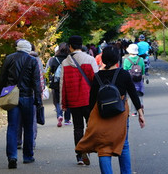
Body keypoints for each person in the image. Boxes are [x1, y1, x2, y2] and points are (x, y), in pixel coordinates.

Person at [76, 45, 145, 174]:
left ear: (103, 59)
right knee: (123, 144)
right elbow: (134, 95)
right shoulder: (123, 74)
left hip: (102, 115)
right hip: (120, 115)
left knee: (103, 148)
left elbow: (92, 101)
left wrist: (91, 120)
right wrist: (140, 113)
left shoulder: (97, 77)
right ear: (117, 59)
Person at [0, 39, 43, 169]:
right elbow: (36, 82)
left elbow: (3, 78)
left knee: (12, 126)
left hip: (12, 96)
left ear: (17, 47)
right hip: (27, 97)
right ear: (28, 49)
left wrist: (1, 95)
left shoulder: (9, 58)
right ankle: (28, 156)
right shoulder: (32, 60)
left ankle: (12, 156)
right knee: (28, 126)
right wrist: (38, 100)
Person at [60, 35, 98, 165]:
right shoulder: (90, 59)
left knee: (77, 128)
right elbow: (96, 81)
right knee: (91, 125)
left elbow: (62, 85)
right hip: (88, 100)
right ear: (81, 45)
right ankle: (91, 147)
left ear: (70, 47)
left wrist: (63, 104)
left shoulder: (65, 62)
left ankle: (80, 155)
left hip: (73, 101)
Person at [17, 43, 45, 149]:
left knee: (18, 119)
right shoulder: (36, 60)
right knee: (31, 120)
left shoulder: (14, 58)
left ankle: (18, 140)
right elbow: (39, 79)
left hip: (16, 93)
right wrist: (39, 95)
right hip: (31, 93)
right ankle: (31, 141)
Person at [46, 42, 72, 127]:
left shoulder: (54, 59)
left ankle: (59, 115)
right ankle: (67, 119)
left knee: (57, 100)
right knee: (68, 100)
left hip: (57, 82)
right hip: (68, 82)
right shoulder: (70, 58)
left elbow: (51, 70)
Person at [123, 43, 145, 116]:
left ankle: (133, 112)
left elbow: (124, 70)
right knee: (140, 94)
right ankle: (141, 106)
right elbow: (143, 69)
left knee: (132, 95)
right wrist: (143, 76)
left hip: (130, 79)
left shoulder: (126, 60)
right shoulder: (141, 59)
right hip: (139, 78)